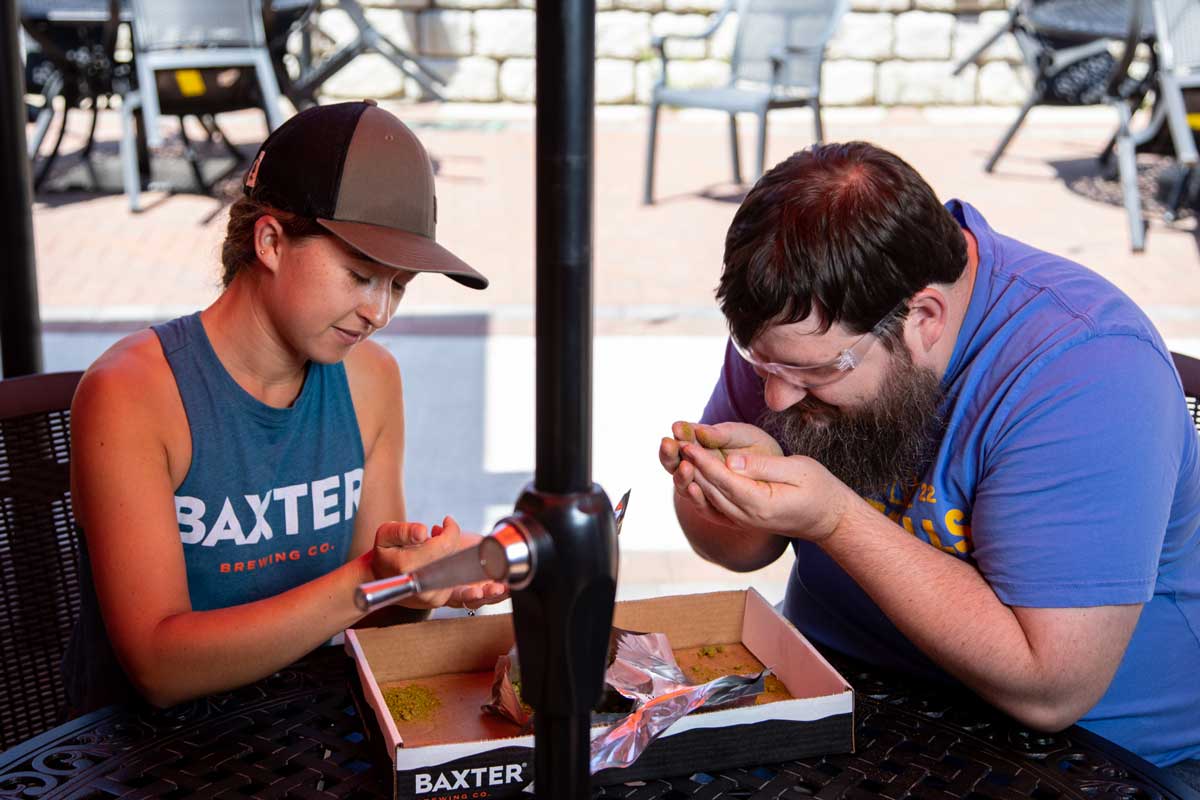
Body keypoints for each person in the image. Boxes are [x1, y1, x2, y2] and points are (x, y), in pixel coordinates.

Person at [658, 142, 1200, 780]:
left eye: (809, 373)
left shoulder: (1089, 369)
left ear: (923, 317)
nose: (775, 397)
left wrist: (834, 518)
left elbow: (1051, 689)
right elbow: (741, 552)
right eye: (761, 367)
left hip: (1101, 757)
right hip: (843, 695)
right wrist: (725, 492)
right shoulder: (802, 326)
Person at [65, 100, 505, 714]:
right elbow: (157, 667)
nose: (378, 313)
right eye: (359, 276)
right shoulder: (132, 393)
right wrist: (370, 582)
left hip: (307, 730)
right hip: (140, 756)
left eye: (398, 286)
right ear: (269, 240)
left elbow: (372, 632)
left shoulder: (371, 380)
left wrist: (421, 581)